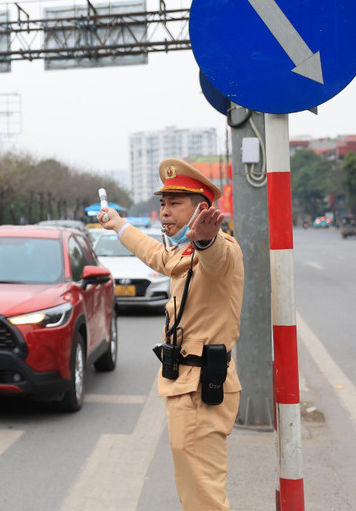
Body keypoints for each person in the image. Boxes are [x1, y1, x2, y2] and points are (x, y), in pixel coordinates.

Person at [98, 158, 243, 511]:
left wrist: (208, 241)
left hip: (202, 386)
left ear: (203, 210)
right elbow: (160, 257)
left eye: (176, 204)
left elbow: (215, 256)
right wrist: (120, 225)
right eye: (163, 204)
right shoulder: (184, 252)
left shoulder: (220, 251)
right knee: (193, 487)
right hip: (185, 382)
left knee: (204, 492)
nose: (165, 212)